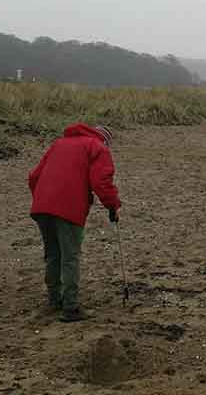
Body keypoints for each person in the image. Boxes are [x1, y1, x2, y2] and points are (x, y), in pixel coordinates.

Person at [28, 124, 121, 322]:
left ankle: (54, 300)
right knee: (70, 257)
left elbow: (34, 176)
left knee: (53, 254)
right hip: (68, 208)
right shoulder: (98, 147)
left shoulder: (59, 143)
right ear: (104, 140)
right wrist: (113, 206)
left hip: (41, 206)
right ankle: (70, 307)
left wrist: (43, 198)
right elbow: (101, 182)